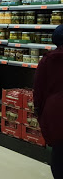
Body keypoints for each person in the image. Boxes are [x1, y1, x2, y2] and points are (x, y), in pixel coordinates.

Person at [34, 24, 63, 179]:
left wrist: (39, 112)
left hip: (56, 114)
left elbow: (38, 90)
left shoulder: (47, 60)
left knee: (59, 155)